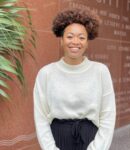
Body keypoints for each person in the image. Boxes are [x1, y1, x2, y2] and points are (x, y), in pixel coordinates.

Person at [33, 8, 116, 150]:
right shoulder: (46, 73)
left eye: (81, 37)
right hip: (57, 139)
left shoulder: (100, 71)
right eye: (70, 36)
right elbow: (41, 118)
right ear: (61, 40)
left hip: (91, 139)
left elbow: (108, 115)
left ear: (87, 42)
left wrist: (97, 148)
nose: (75, 42)